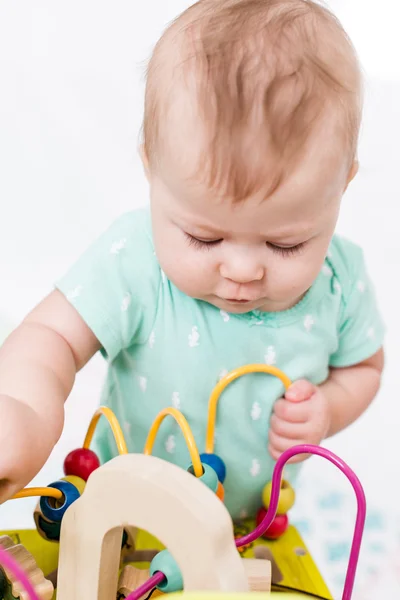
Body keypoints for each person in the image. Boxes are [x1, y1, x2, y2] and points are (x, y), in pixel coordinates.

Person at [0, 0, 384, 519]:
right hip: (123, 516)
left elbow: (364, 365)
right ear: (151, 169)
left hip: (245, 530)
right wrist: (25, 411)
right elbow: (53, 336)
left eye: (285, 244)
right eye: (204, 238)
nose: (243, 271)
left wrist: (330, 407)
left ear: (343, 186)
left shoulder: (340, 281)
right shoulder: (135, 259)